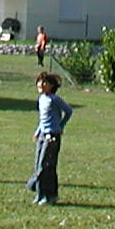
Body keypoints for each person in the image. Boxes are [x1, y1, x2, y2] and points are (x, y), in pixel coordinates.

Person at [26, 71, 73, 204]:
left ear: (51, 86)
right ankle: (40, 195)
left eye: (44, 82)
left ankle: (49, 195)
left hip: (52, 136)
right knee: (38, 164)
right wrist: (38, 131)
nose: (41, 84)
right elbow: (43, 119)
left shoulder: (54, 99)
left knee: (46, 166)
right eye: (39, 81)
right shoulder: (41, 99)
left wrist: (60, 126)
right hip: (42, 135)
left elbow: (69, 111)